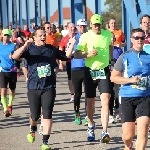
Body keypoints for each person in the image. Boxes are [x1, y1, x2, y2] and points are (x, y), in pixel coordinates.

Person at [11, 26, 73, 150]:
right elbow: (15, 57)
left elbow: (66, 56)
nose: (43, 37)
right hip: (33, 86)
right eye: (40, 35)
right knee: (35, 115)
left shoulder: (51, 49)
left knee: (47, 114)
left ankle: (45, 142)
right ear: (34, 38)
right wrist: (25, 45)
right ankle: (32, 128)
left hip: (49, 86)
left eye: (44, 35)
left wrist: (71, 44)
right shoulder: (29, 49)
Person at [74, 14, 112, 142]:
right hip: (90, 71)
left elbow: (110, 46)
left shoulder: (107, 34)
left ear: (102, 24)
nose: (97, 26)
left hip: (104, 70)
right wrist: (88, 54)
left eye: (99, 24)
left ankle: (104, 131)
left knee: (105, 99)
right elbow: (76, 54)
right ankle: (90, 125)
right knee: (90, 102)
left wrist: (110, 60)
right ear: (90, 25)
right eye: (94, 24)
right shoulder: (85, 36)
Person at [111, 28, 150, 150]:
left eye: (142, 38)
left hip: (145, 97)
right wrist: (130, 80)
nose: (139, 40)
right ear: (131, 40)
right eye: (137, 38)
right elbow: (113, 78)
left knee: (143, 132)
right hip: (127, 97)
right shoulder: (125, 56)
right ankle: (128, 145)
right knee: (128, 135)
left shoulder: (148, 57)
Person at [66, 19, 88, 125]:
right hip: (76, 68)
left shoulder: (90, 37)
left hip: (87, 67)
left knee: (88, 93)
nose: (82, 28)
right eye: (80, 26)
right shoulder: (73, 38)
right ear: (77, 27)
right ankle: (77, 113)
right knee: (77, 93)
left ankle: (88, 115)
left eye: (84, 26)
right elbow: (68, 54)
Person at [0, 29, 18, 117]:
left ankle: (10, 105)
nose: (6, 37)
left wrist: (14, 57)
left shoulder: (13, 46)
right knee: (3, 91)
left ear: (10, 36)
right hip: (3, 71)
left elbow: (19, 57)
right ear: (2, 35)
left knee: (12, 90)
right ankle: (5, 109)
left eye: (8, 35)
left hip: (12, 71)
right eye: (5, 35)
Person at [59, 22, 75, 101]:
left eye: (73, 27)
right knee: (70, 79)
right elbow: (60, 50)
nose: (72, 29)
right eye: (71, 27)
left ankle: (79, 93)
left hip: (79, 61)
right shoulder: (64, 39)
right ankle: (72, 94)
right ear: (68, 28)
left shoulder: (78, 36)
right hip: (69, 61)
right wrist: (61, 63)